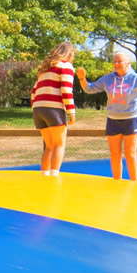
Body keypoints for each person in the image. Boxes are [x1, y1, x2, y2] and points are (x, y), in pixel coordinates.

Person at [81, 50, 137, 180]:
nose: (116, 64)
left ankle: (134, 183)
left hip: (131, 119)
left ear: (127, 63)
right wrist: (82, 78)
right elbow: (89, 88)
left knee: (130, 154)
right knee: (115, 154)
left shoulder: (136, 79)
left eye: (119, 61)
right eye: (114, 62)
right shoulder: (108, 79)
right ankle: (117, 182)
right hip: (113, 120)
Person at [30, 42, 83, 176]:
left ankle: (44, 175)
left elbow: (33, 91)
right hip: (54, 109)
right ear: (70, 54)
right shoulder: (66, 66)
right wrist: (71, 111)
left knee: (49, 146)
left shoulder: (44, 69)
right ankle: (54, 176)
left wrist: (35, 108)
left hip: (38, 109)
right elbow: (66, 90)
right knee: (59, 144)